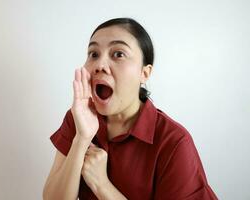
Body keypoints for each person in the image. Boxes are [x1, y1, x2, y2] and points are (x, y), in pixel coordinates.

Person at [43, 18, 218, 200]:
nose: (100, 65)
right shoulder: (78, 119)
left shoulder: (174, 141)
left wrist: (102, 185)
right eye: (93, 54)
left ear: (144, 73)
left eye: (118, 54)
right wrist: (81, 139)